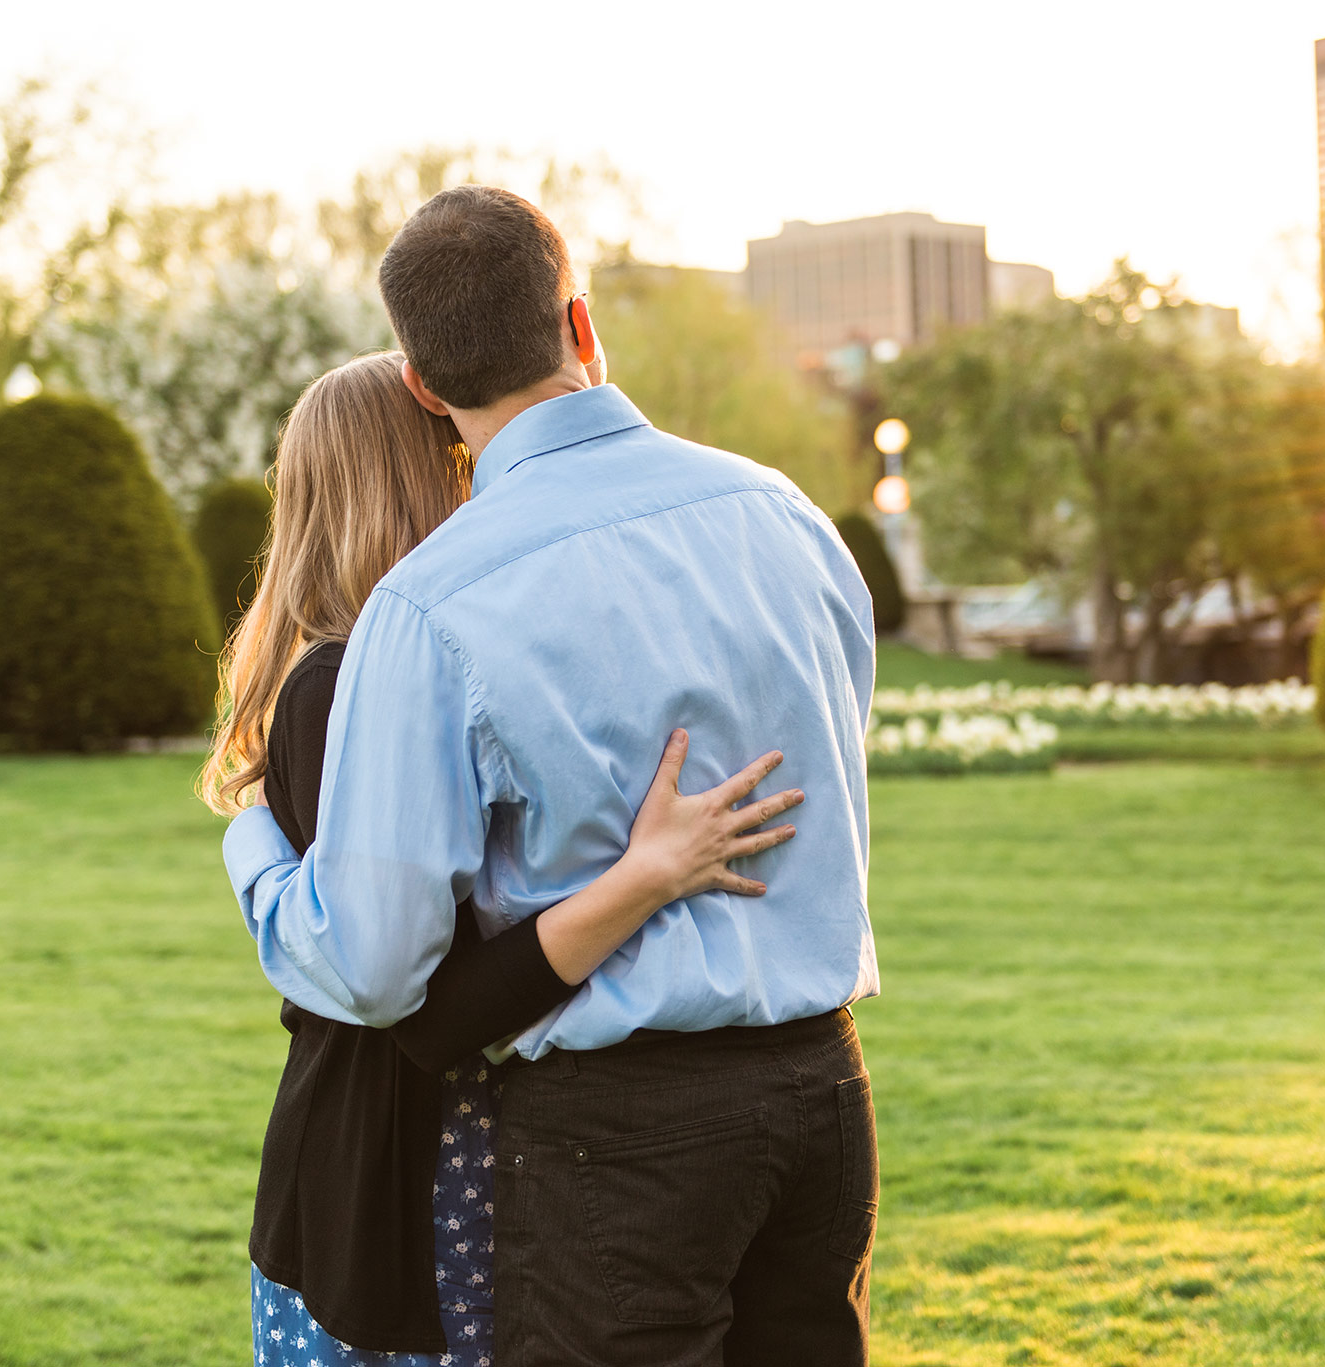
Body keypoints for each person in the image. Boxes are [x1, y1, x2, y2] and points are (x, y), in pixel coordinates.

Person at [224, 185, 880, 1366]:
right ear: (581, 324)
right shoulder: (786, 517)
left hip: (623, 1129)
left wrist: (258, 860)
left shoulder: (434, 604)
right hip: (822, 1086)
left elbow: (375, 967)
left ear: (424, 384)